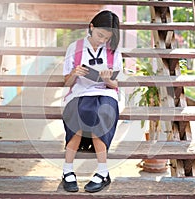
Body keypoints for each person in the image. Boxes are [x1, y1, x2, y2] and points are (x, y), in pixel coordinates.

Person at [61, 10, 122, 193]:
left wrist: (106, 79)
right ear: (91, 27)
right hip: (80, 93)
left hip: (106, 93)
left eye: (107, 37)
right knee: (79, 115)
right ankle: (67, 170)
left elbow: (115, 84)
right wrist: (74, 73)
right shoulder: (75, 47)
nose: (102, 40)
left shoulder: (113, 50)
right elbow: (67, 82)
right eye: (99, 35)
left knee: (100, 114)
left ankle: (103, 172)